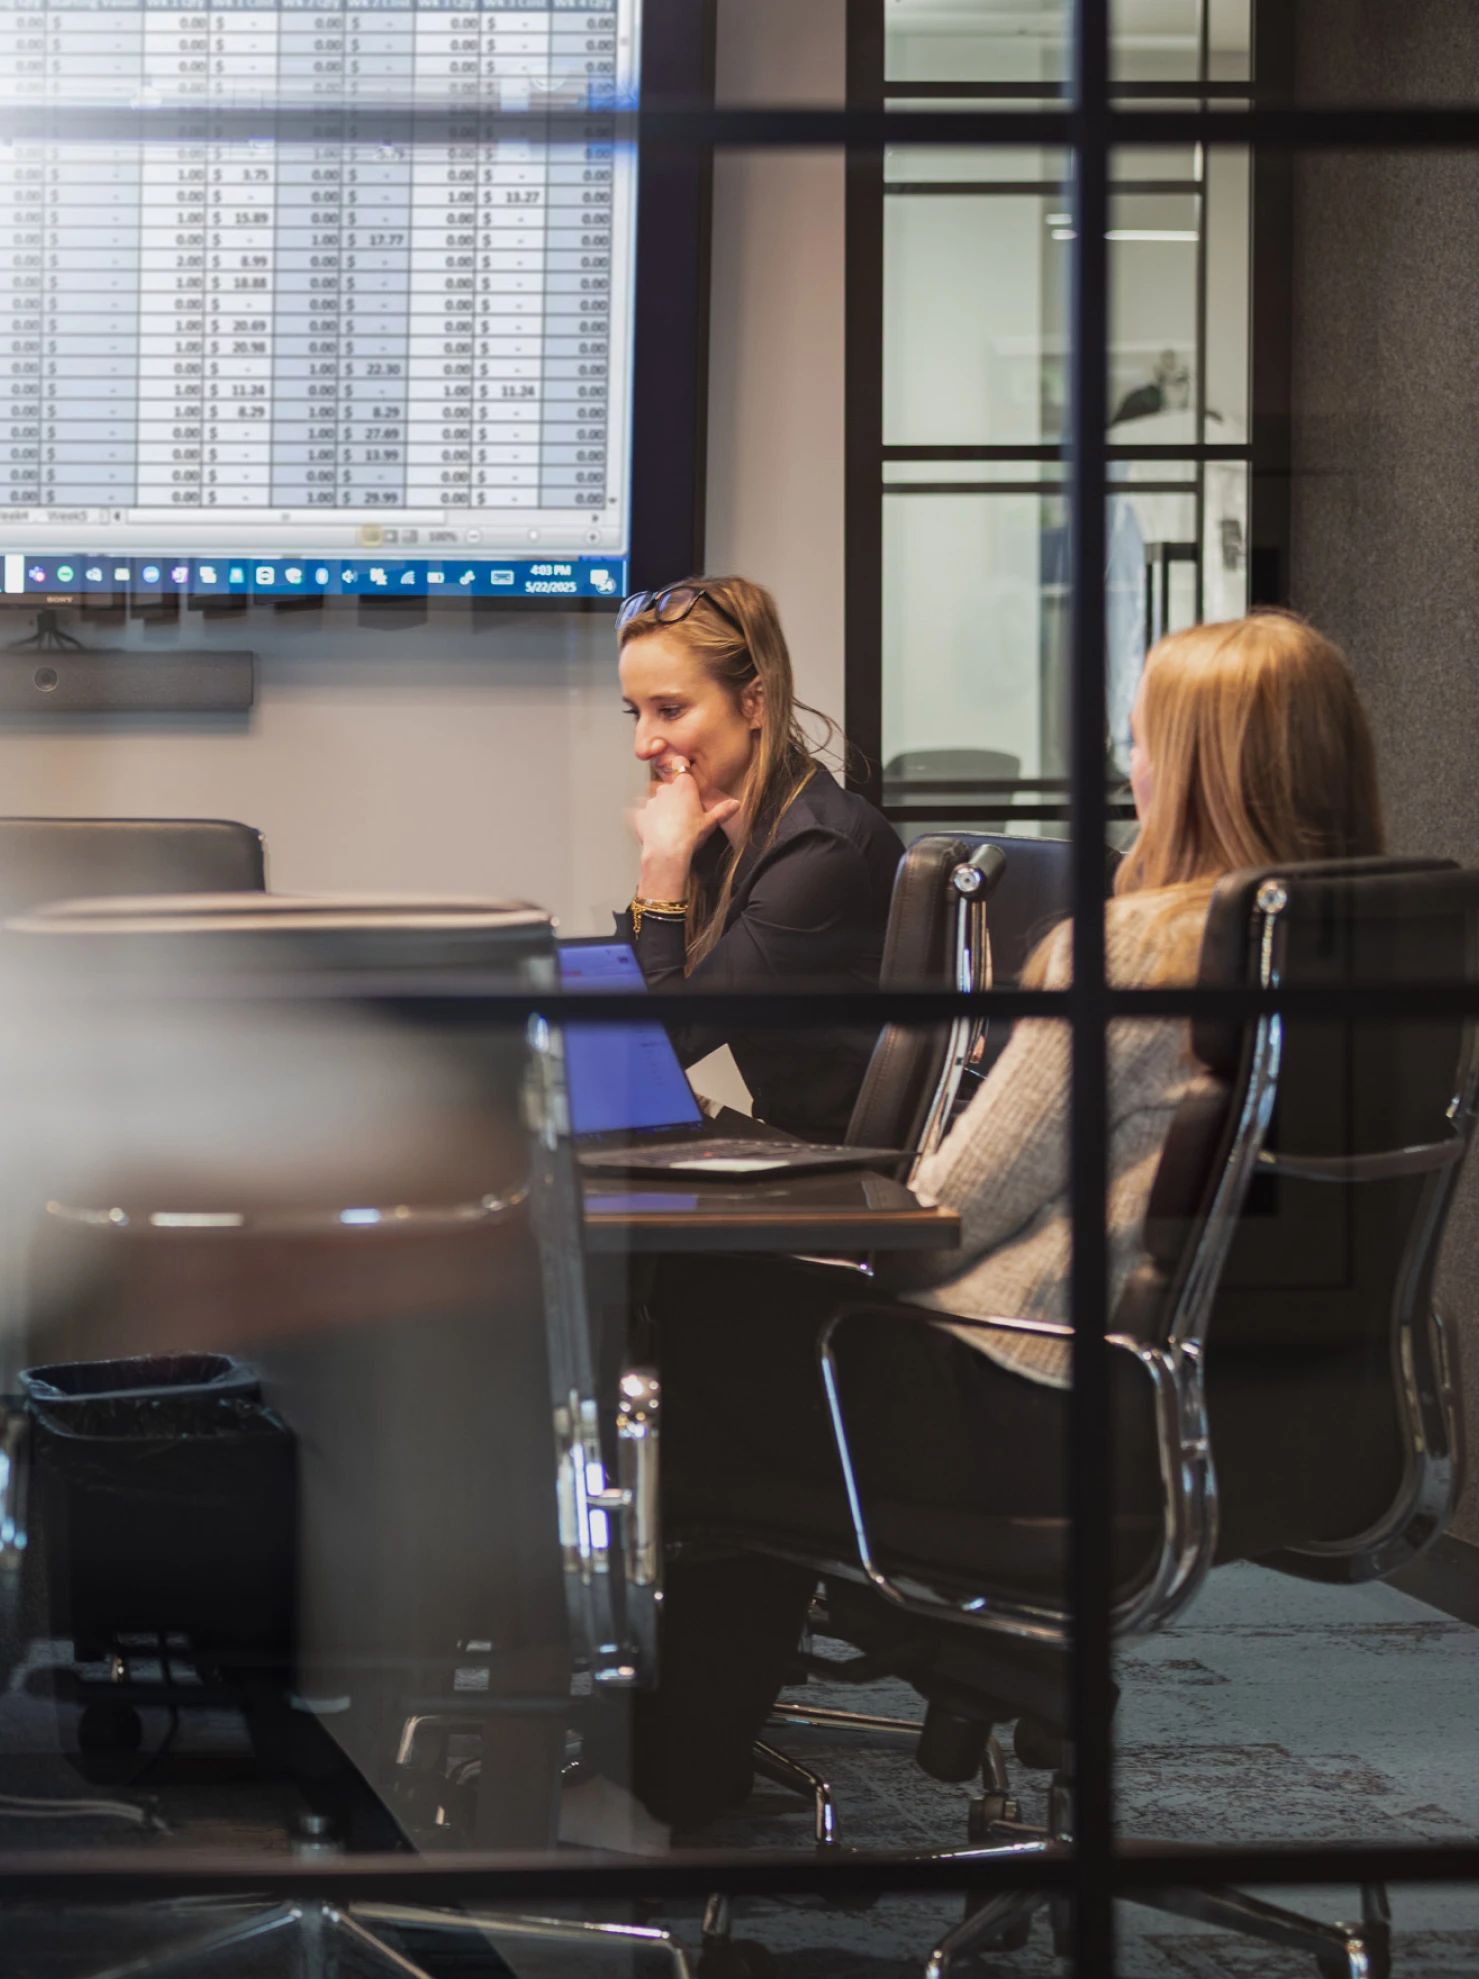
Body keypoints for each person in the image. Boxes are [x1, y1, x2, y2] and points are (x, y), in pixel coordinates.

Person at [563, 609, 1387, 1853]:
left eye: (1146, 737)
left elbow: (949, 1206)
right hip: (1265, 1414)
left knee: (703, 1352)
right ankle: (884, 1680)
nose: (1126, 764)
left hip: (1044, 1403)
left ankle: (669, 1784)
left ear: (1203, 766)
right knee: (744, 1341)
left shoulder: (1134, 954)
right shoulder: (1374, 955)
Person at [616, 576, 901, 1141]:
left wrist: (663, 865)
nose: (643, 743)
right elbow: (622, 1032)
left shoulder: (820, 850)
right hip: (801, 1143)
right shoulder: (724, 831)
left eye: (669, 710)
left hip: (865, 1171)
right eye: (636, 714)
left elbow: (660, 1049)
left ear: (754, 702)